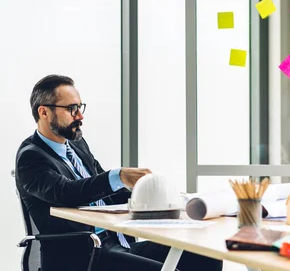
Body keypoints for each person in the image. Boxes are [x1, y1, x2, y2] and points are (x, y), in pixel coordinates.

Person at [15, 74, 223, 271]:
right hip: (83, 256)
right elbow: (66, 192)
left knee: (205, 254)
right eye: (71, 109)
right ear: (44, 112)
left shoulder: (77, 146)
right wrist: (119, 175)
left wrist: (163, 198)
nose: (80, 116)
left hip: (117, 243)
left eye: (80, 107)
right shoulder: (31, 157)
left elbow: (104, 192)